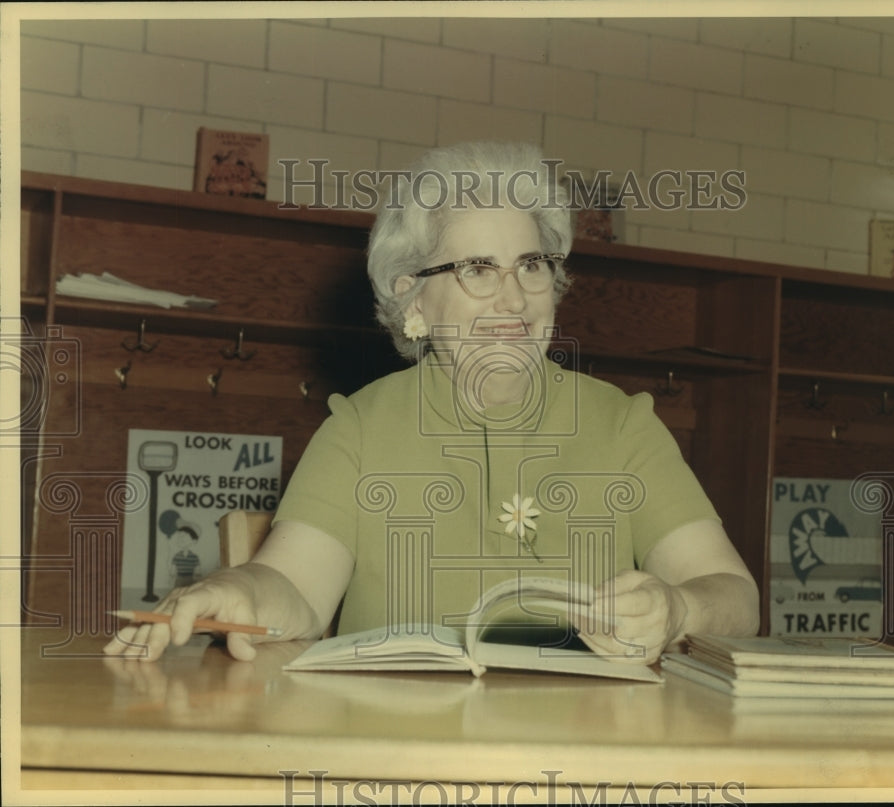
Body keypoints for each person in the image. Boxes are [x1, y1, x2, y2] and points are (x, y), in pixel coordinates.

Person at [104, 141, 759, 664]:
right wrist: (232, 590)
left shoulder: (622, 424)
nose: (514, 298)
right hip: (398, 757)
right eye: (478, 268)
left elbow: (735, 596)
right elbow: (295, 589)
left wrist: (678, 607)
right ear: (414, 298)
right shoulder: (360, 427)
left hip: (591, 756)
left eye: (532, 265)